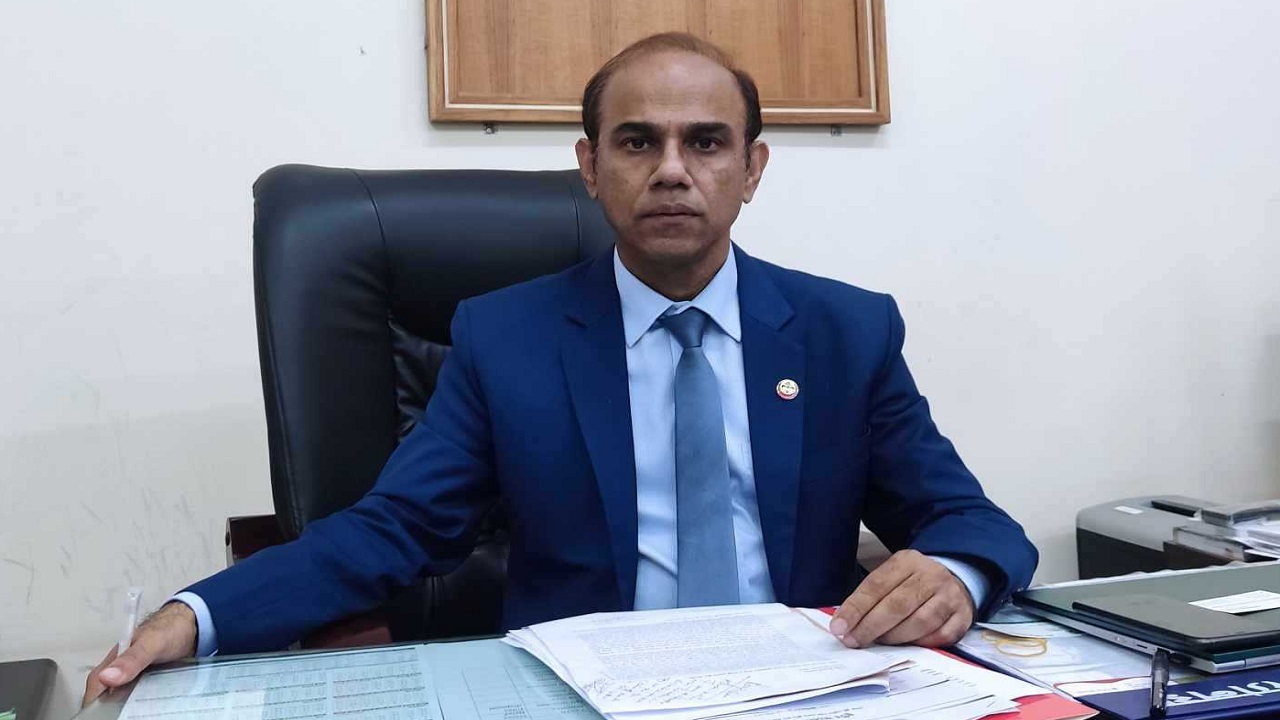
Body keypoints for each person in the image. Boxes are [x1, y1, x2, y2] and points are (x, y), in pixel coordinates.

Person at [84, 32, 1036, 705]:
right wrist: (196, 616)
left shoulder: (844, 331)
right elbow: (393, 528)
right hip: (586, 699)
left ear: (753, 169)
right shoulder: (507, 338)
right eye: (638, 142)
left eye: (706, 142)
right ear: (590, 166)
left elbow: (971, 520)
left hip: (803, 695)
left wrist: (954, 573)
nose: (672, 170)